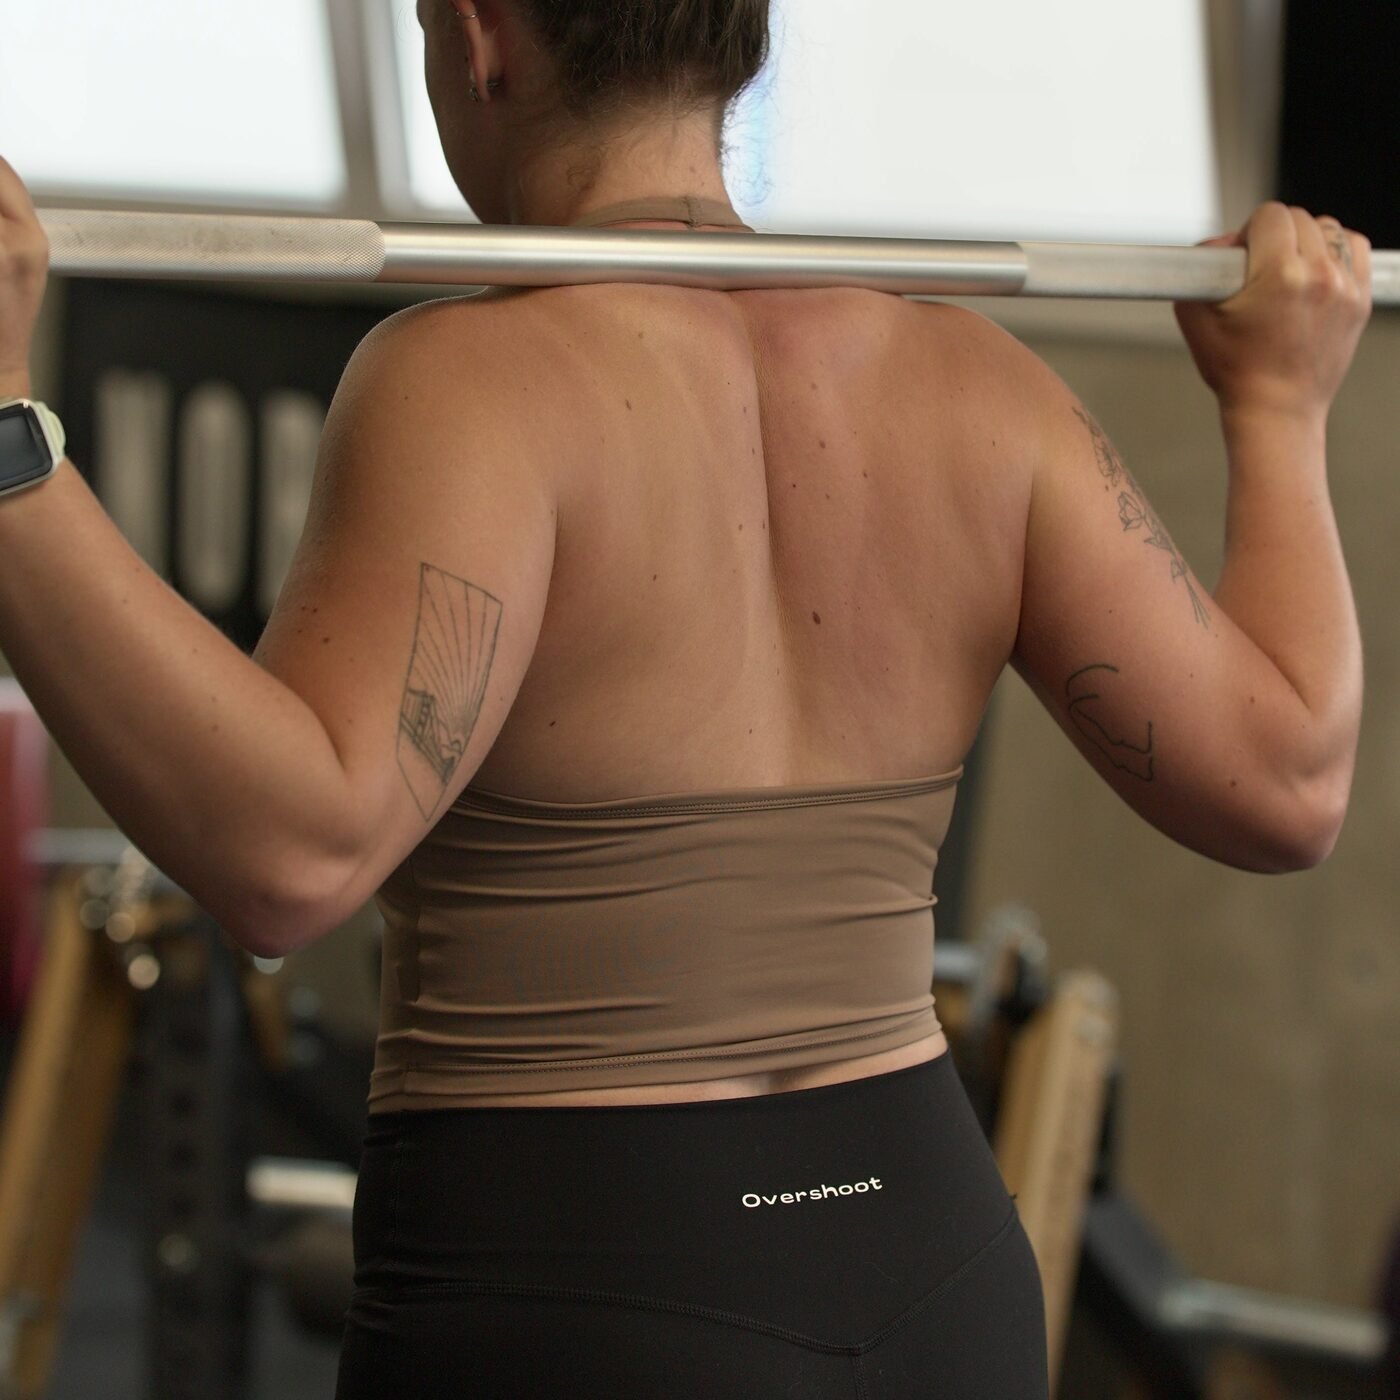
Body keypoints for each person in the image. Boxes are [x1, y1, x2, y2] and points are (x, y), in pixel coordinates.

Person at [0, 0, 1373, 1394]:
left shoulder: (471, 383)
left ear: (479, 35)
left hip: (584, 1282)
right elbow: (1290, 783)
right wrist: (1278, 411)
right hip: (937, 1273)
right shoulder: (981, 387)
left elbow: (290, 856)